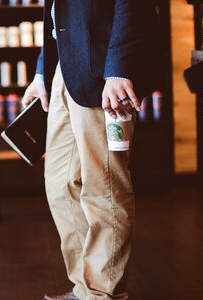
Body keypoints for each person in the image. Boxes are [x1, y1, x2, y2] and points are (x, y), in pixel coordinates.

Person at [22, 1, 157, 299]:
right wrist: (42, 75)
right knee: (59, 185)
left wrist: (119, 69)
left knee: (104, 186)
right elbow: (59, 18)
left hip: (104, 72)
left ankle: (101, 293)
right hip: (64, 69)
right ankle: (86, 287)